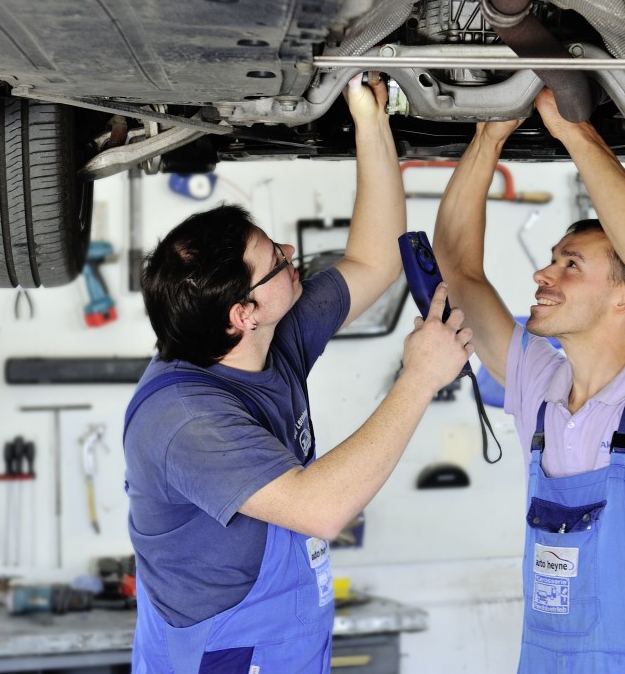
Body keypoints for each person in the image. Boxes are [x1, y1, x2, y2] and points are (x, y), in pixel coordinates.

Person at [123, 77, 474, 673]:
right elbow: (320, 510)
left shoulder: (263, 337)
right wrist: (418, 379)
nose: (291, 253)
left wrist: (371, 119)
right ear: (243, 314)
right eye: (277, 261)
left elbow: (375, 260)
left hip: (282, 641)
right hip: (224, 656)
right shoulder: (185, 421)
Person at [433, 88, 625, 673]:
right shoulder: (538, 390)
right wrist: (488, 136)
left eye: (572, 264)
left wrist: (576, 132)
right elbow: (458, 266)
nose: (543, 274)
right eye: (553, 259)